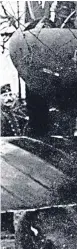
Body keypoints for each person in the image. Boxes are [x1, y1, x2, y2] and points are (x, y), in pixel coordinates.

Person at [1, 83, 28, 235]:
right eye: (4, 95)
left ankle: (7, 226)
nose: (9, 98)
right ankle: (4, 228)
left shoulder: (9, 113)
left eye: (10, 95)